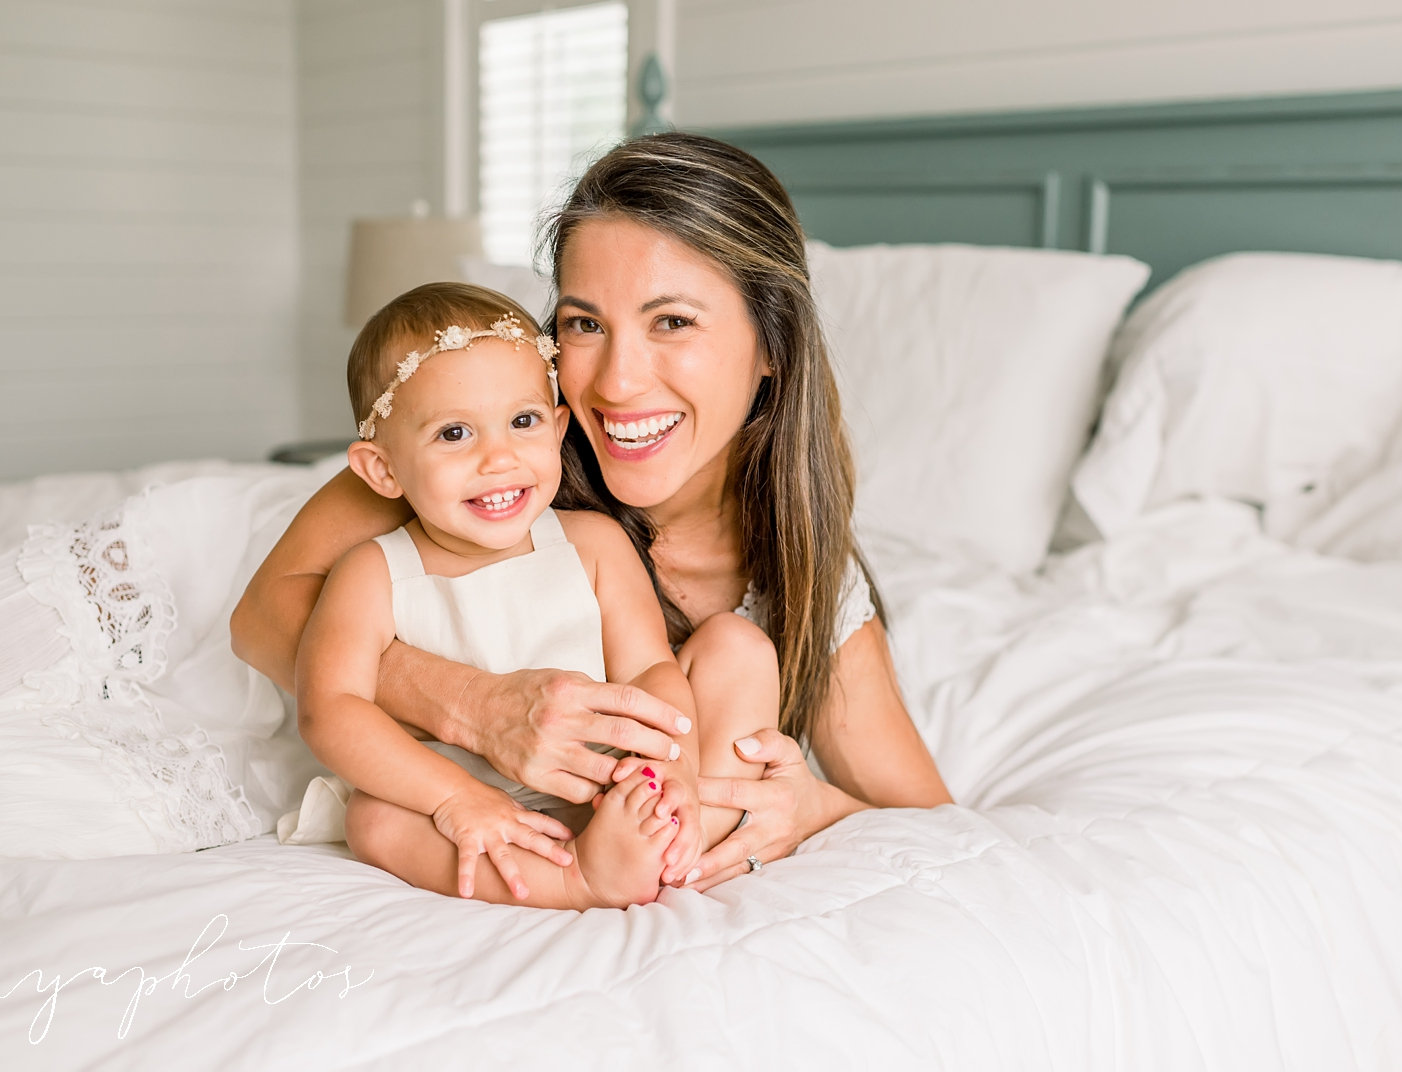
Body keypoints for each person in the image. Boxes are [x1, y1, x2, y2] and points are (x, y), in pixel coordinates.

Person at [231, 131, 951, 894]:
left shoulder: (801, 576)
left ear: (773, 346)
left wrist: (814, 807)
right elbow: (263, 616)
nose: (617, 381)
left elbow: (930, 817)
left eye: (672, 321)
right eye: (583, 324)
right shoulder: (481, 459)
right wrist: (474, 706)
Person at [289, 281, 777, 909]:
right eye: (454, 434)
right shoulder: (372, 574)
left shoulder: (593, 544)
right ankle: (575, 881)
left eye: (522, 422)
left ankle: (682, 838)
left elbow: (650, 670)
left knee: (736, 646)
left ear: (557, 427)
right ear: (382, 469)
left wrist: (672, 771)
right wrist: (452, 797)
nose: (499, 458)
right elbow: (328, 710)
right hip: (478, 806)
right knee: (374, 820)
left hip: (615, 785)